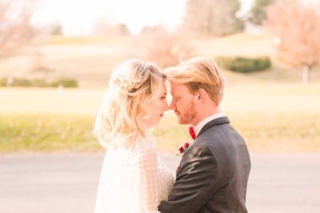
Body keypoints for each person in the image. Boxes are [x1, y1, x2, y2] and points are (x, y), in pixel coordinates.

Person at [158, 57, 251, 213]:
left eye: (177, 98)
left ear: (200, 96)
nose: (171, 105)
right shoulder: (236, 138)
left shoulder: (204, 150)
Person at [93, 59, 174, 213]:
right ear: (141, 100)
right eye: (162, 97)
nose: (168, 105)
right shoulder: (143, 152)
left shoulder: (120, 143)